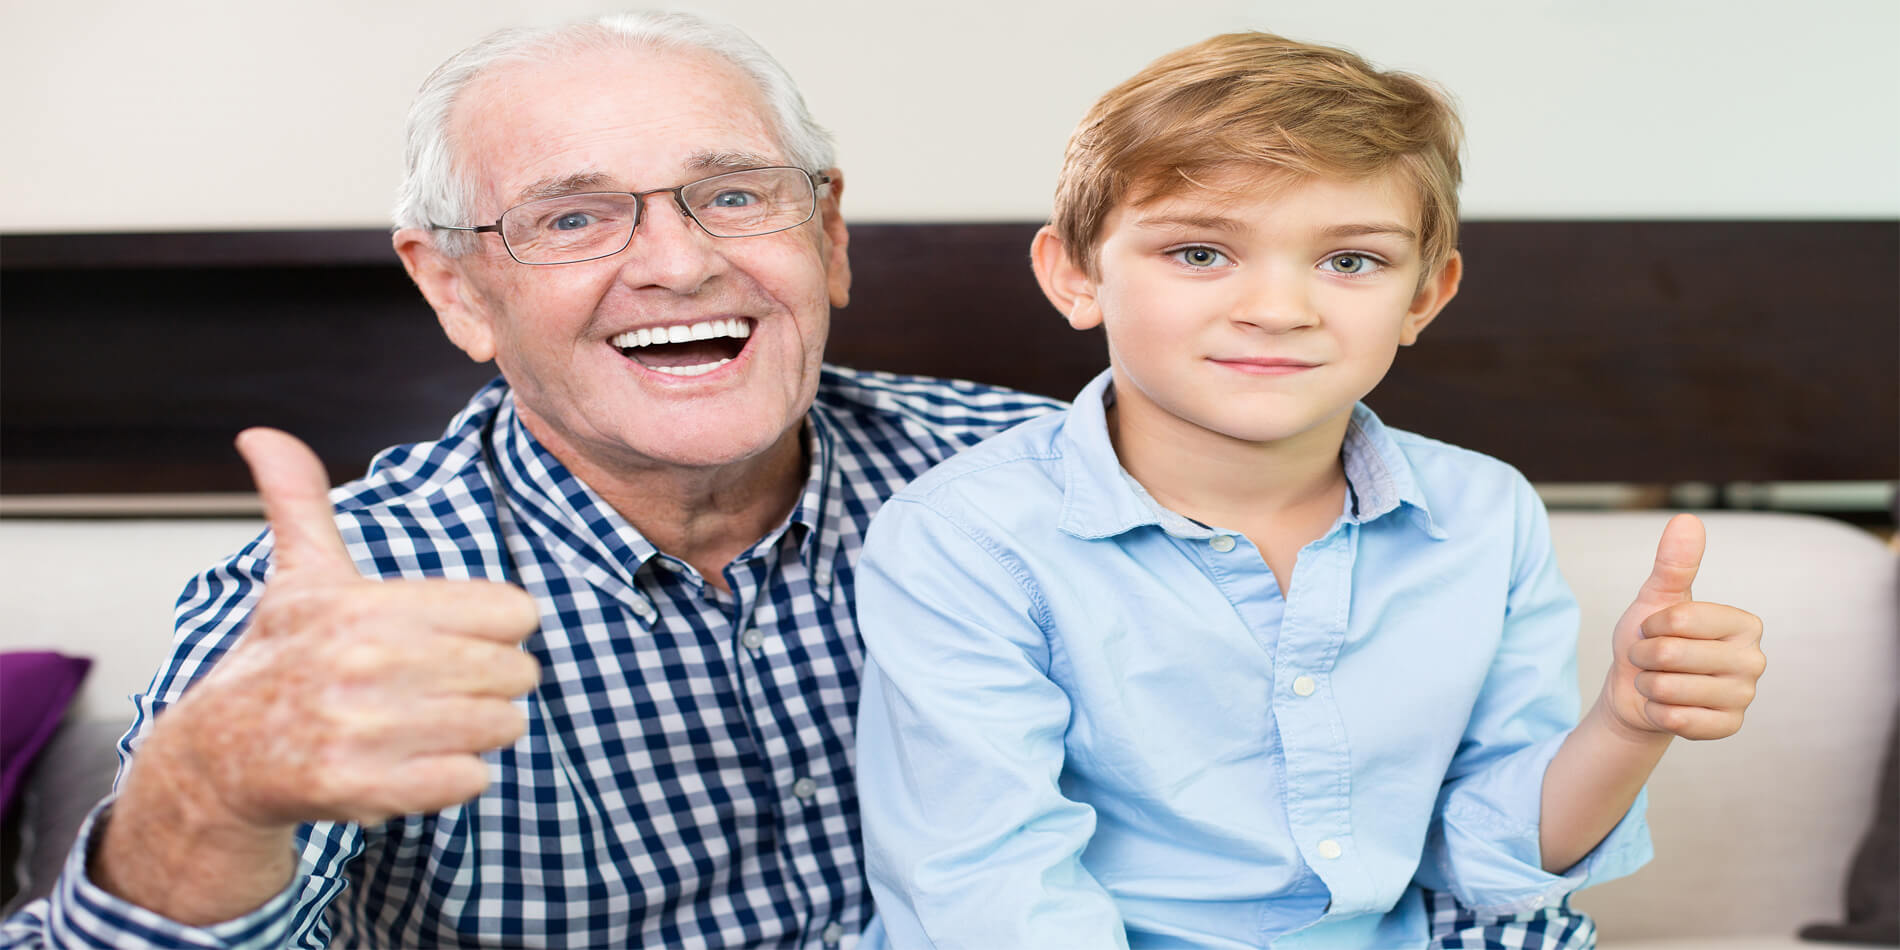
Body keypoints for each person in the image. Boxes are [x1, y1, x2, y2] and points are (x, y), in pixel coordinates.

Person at [0, 12, 1607, 950]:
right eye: (573, 217)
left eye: (733, 193)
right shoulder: (335, 598)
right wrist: (215, 795)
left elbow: (1372, 814)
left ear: (829, 236)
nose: (676, 259)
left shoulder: (1045, 478)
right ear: (455, 287)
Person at [853, 30, 1766, 949]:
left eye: (1350, 261)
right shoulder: (968, 539)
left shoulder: (1486, 514)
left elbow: (1485, 858)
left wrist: (1627, 721)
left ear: (1424, 296)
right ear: (1077, 275)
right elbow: (990, 893)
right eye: (1201, 253)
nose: (1280, 309)